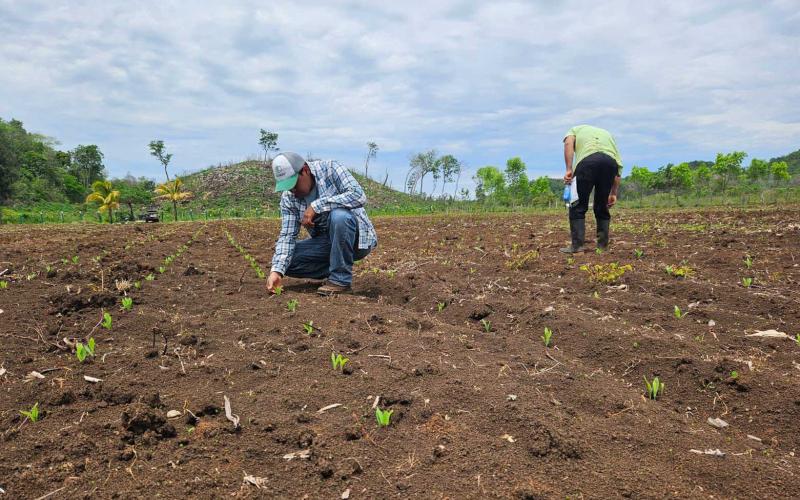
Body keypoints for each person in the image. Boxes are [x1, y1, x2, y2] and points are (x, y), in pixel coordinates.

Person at [266, 152, 377, 296]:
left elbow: (358, 195)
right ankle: (337, 266)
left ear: (305, 170)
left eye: (293, 185)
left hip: (357, 239)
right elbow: (287, 236)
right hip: (327, 243)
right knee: (285, 261)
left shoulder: (330, 169)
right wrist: (276, 271)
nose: (292, 191)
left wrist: (317, 206)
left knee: (340, 216)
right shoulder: (289, 199)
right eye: (287, 187)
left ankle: (340, 281)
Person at [560, 125, 622, 253]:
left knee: (577, 205)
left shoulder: (575, 130)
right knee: (602, 206)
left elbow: (568, 143)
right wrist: (613, 193)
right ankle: (603, 247)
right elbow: (618, 170)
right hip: (610, 163)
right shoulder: (607, 134)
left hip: (587, 162)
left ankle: (577, 246)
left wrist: (569, 169)